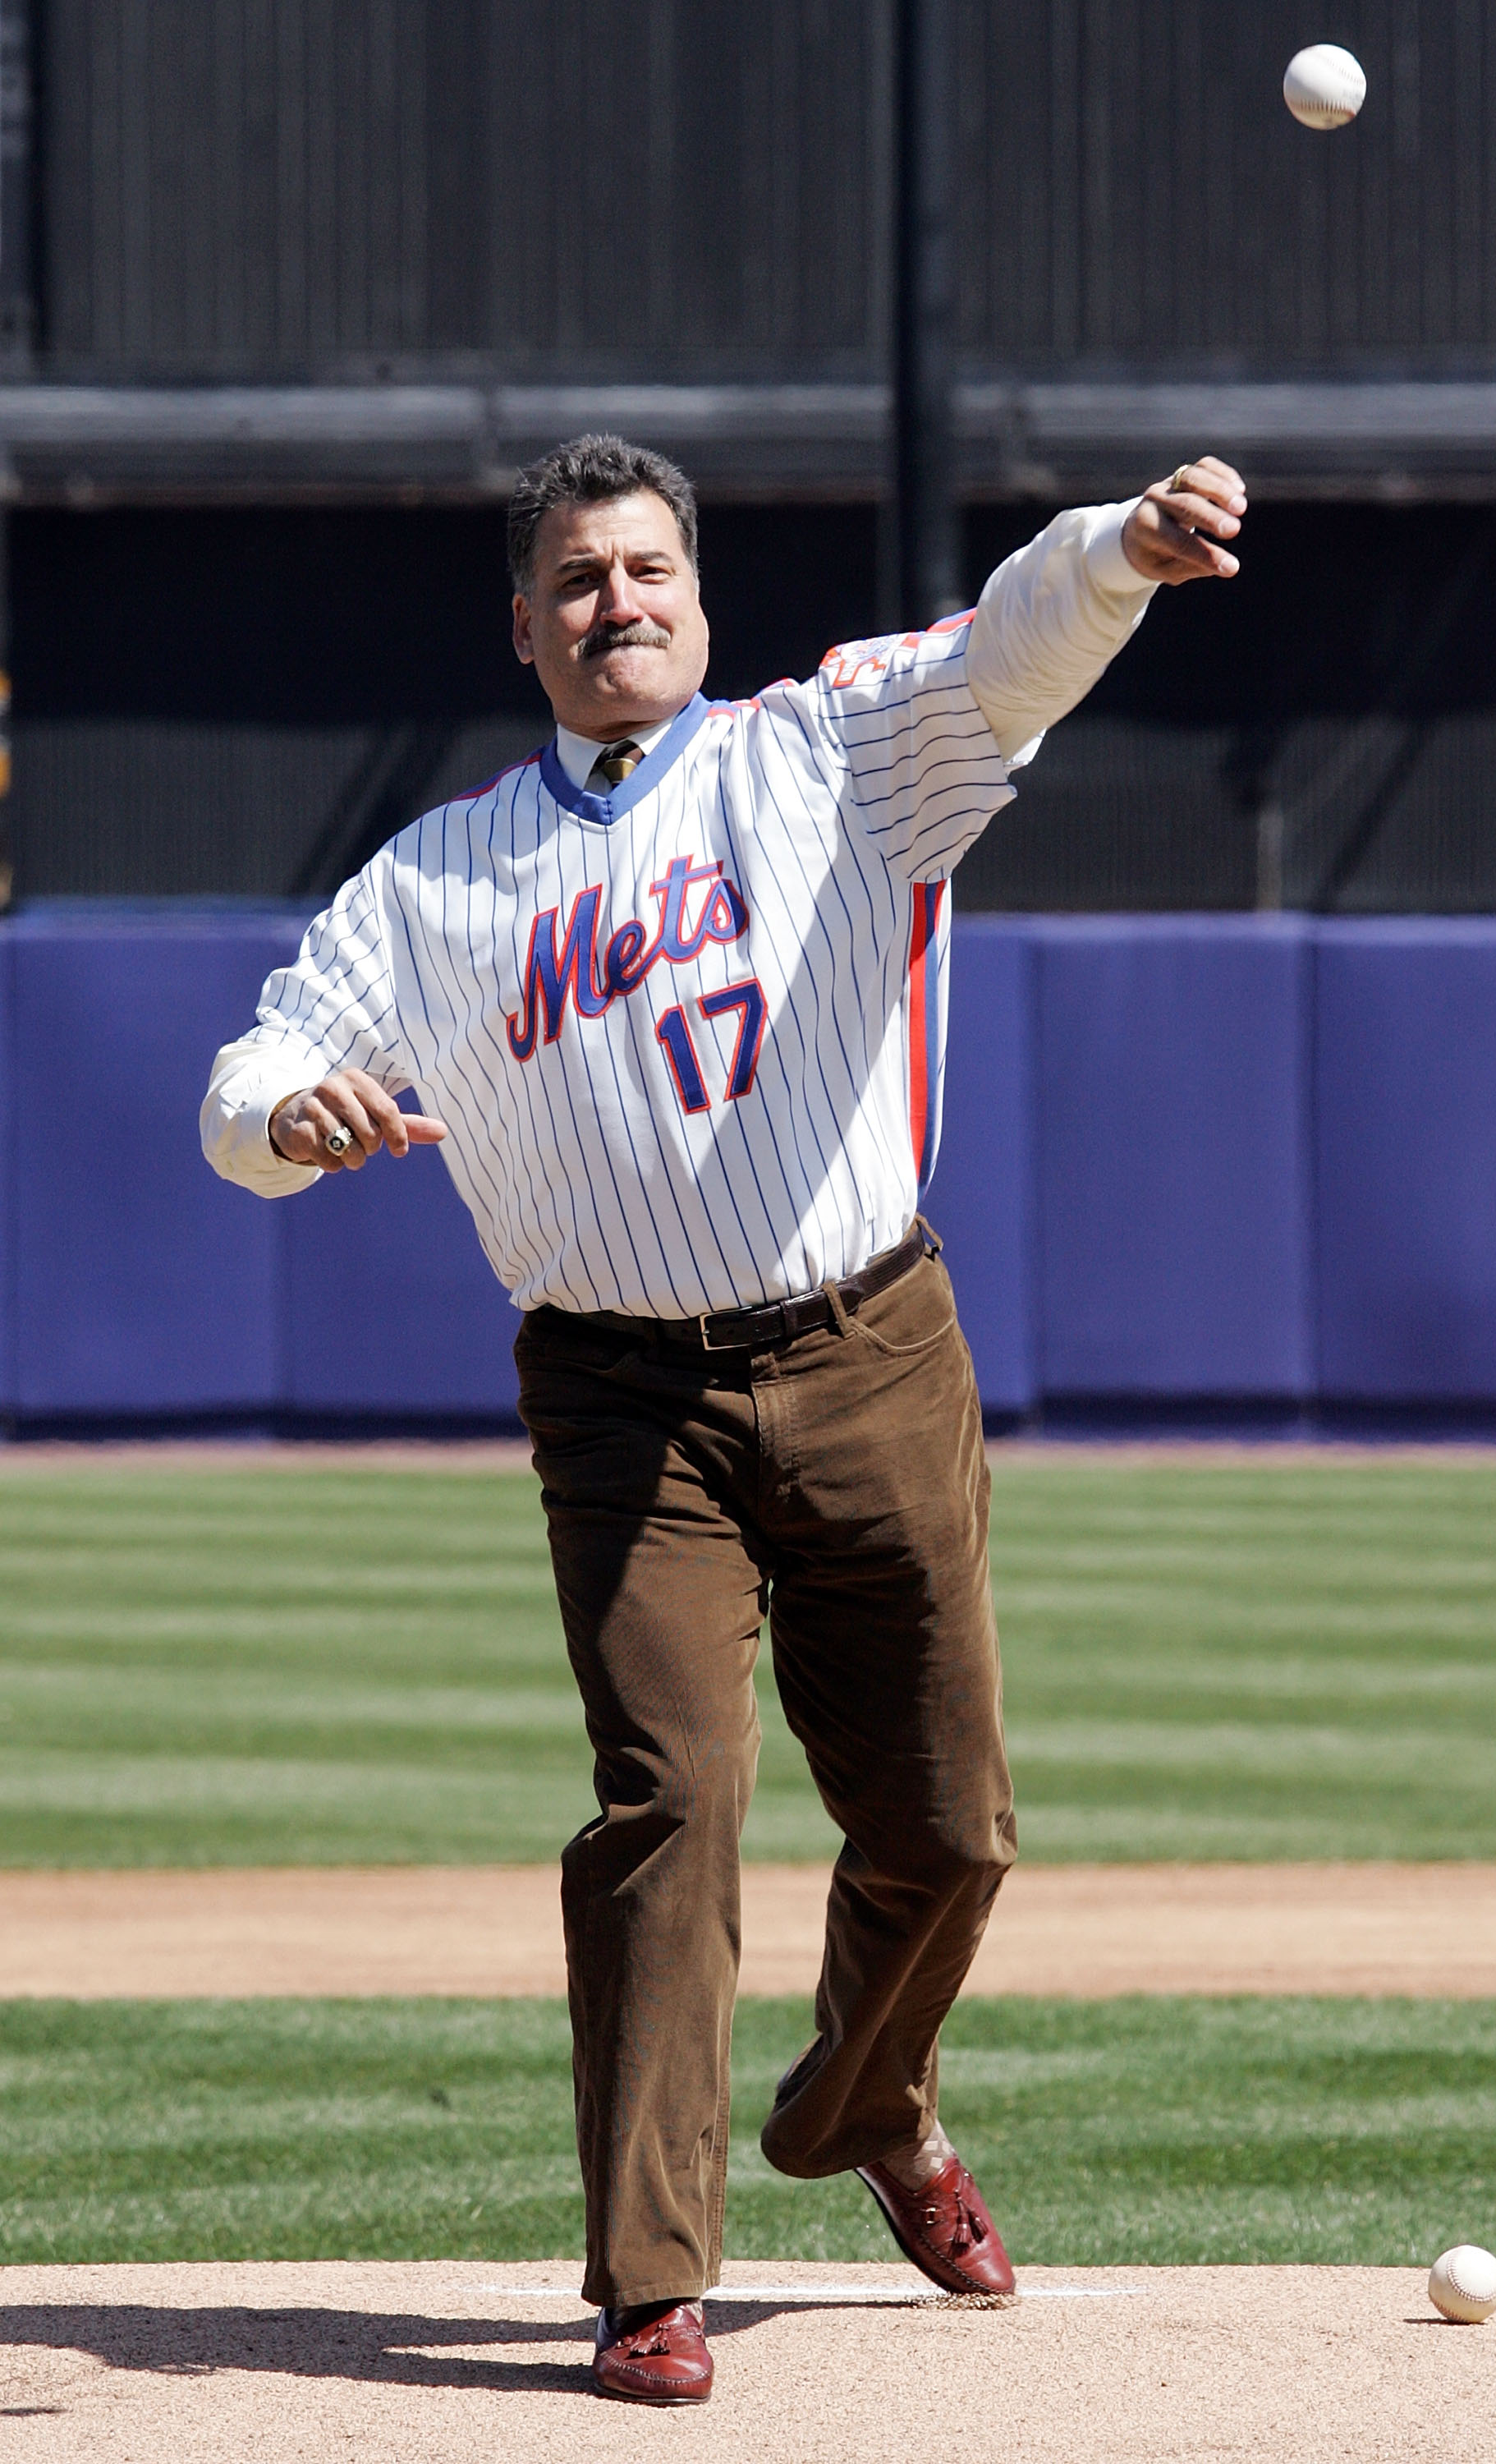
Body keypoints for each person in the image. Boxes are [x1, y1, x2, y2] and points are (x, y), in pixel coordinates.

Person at [201, 433, 1244, 2404]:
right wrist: (285, 1119)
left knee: (948, 1831)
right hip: (619, 1396)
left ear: (700, 596)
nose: (620, 604)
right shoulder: (436, 880)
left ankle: (867, 2103)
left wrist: (1117, 548)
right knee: (668, 1801)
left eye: (648, 569)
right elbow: (258, 1063)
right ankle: (647, 2281)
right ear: (526, 630)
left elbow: (1003, 652)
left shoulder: (826, 754)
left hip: (865, 1344)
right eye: (580, 581)